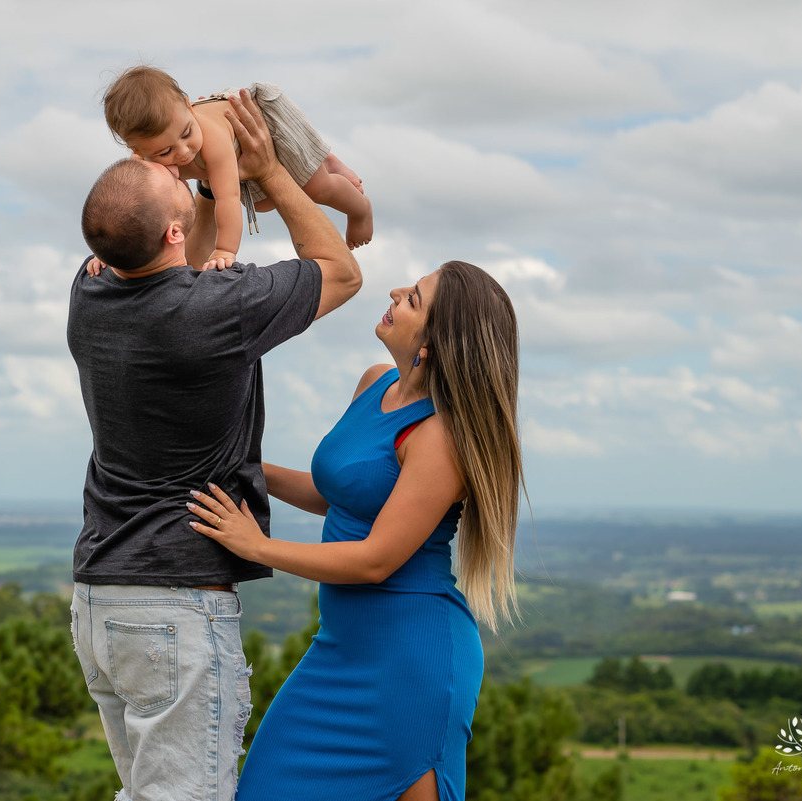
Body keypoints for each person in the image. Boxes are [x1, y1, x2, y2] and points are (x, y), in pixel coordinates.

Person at [67, 90, 362, 801]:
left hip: (101, 599)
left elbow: (170, 251)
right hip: (176, 608)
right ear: (173, 232)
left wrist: (202, 182)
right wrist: (270, 168)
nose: (183, 166)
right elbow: (343, 272)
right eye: (174, 176)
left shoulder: (88, 293)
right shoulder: (215, 310)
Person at [189, 260, 524, 801]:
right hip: (338, 651)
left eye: (413, 298)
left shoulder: (440, 436)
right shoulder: (376, 383)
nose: (395, 292)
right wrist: (244, 468)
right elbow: (337, 494)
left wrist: (258, 547)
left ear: (434, 344)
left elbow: (376, 559)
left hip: (411, 664)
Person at [103, 65, 373, 268]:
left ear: (189, 107)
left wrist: (225, 250)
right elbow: (128, 213)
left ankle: (359, 209)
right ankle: (321, 158)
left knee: (318, 186)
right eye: (165, 152)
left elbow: (228, 199)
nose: (184, 152)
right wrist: (108, 256)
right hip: (234, 153)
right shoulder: (142, 163)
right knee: (265, 204)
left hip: (258, 122)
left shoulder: (212, 141)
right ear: (138, 151)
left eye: (186, 134)